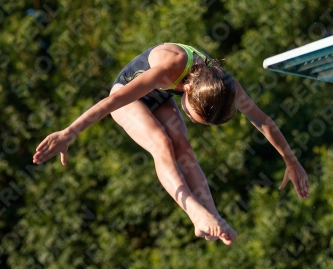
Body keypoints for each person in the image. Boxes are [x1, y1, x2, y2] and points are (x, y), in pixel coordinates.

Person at [33, 43, 310, 244]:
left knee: (184, 147)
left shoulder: (224, 85)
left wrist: (291, 161)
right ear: (187, 89)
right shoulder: (169, 69)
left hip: (160, 96)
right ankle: (195, 213)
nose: (187, 116)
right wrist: (69, 132)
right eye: (192, 114)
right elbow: (112, 103)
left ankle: (213, 217)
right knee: (162, 143)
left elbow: (262, 120)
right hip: (128, 94)